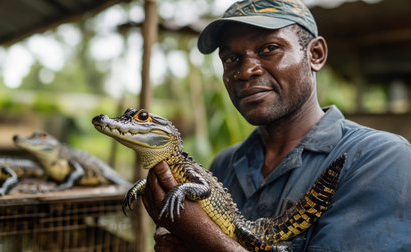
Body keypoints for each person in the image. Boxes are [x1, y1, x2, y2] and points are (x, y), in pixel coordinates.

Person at [141, 0, 411, 251]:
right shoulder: (224, 164)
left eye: (269, 49)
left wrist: (198, 233)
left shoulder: (382, 158)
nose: (245, 70)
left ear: (315, 54)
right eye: (231, 59)